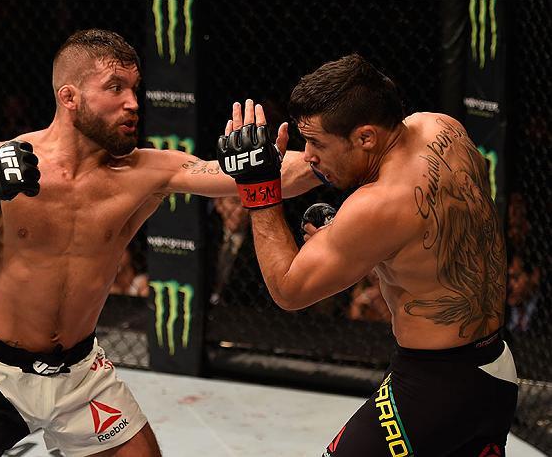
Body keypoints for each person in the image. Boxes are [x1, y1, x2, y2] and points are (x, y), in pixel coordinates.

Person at [0, 29, 316, 456]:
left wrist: (301, 160)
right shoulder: (2, 159)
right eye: (115, 88)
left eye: (134, 89)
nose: (132, 102)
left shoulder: (147, 173)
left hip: (80, 376)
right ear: (69, 97)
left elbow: (271, 174)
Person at [217, 54, 518, 456]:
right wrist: (359, 243)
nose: (308, 155)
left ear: (365, 137)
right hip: (495, 366)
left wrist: (258, 190)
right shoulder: (443, 127)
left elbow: (289, 290)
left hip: (435, 386)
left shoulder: (377, 205)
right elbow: (429, 237)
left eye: (318, 143)